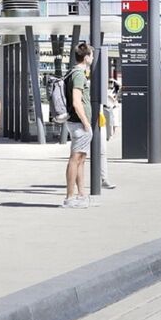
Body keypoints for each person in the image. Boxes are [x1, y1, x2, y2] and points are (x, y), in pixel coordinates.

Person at [62, 44, 94, 209]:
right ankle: (70, 197)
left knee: (81, 159)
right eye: (92, 55)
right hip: (79, 123)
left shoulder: (73, 72)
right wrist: (86, 122)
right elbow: (76, 101)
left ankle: (81, 195)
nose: (93, 58)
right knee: (75, 159)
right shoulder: (79, 75)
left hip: (77, 122)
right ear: (86, 57)